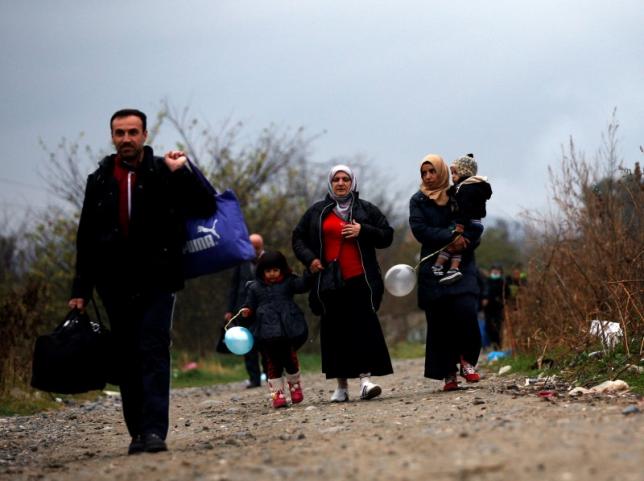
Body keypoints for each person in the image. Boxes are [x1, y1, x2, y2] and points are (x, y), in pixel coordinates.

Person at [68, 109, 216, 455]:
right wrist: (80, 289)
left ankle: (154, 431)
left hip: (158, 279)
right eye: (120, 133)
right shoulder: (100, 179)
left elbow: (205, 205)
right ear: (112, 137)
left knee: (152, 351)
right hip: (112, 282)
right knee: (127, 357)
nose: (126, 139)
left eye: (133, 132)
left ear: (145, 135)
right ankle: (136, 431)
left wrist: (186, 171)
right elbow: (85, 237)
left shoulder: (164, 171)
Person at [292, 164, 394, 402]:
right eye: (336, 179)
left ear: (352, 182)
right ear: (330, 183)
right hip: (329, 282)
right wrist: (311, 259)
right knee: (335, 333)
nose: (340, 183)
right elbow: (297, 238)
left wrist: (363, 229)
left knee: (363, 330)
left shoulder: (366, 209)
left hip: (361, 279)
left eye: (345, 179)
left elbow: (387, 235)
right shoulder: (317, 211)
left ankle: (366, 382)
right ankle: (341, 387)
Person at [409, 154, 482, 391]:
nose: (429, 177)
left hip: (462, 262)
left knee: (466, 311)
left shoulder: (459, 194)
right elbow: (420, 229)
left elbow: (475, 223)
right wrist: (450, 238)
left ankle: (467, 360)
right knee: (440, 322)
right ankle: (448, 373)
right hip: (434, 266)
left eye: (432, 171)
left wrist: (466, 241)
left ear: (441, 172)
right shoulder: (418, 200)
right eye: (424, 173)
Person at [240, 251, 311, 408]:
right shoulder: (255, 287)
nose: (272, 274)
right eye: (268, 271)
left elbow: (302, 285)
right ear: (262, 271)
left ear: (281, 270)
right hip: (267, 334)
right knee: (272, 364)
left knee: (291, 360)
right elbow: (249, 305)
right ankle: (277, 394)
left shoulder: (289, 282)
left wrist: (309, 272)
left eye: (275, 270)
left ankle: (295, 388)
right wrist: (246, 311)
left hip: (288, 329)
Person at [432, 154, 492, 285]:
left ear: (465, 172)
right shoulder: (473, 187)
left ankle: (443, 266)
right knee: (458, 247)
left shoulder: (467, 189)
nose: (452, 176)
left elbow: (465, 209)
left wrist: (459, 227)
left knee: (453, 244)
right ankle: (450, 269)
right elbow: (454, 193)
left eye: (454, 173)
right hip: (475, 224)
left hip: (467, 223)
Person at [224, 233, 267, 388]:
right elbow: (234, 286)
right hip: (243, 308)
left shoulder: (269, 260)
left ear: (261, 246)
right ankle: (254, 378)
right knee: (247, 343)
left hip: (264, 307)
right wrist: (230, 309)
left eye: (257, 247)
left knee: (266, 342)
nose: (254, 250)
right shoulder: (241, 261)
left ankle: (271, 375)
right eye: (252, 247)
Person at [482, 264, 509, 349]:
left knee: (498, 327)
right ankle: (492, 344)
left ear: (501, 272)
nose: (495, 272)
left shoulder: (503, 282)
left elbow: (507, 295)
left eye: (497, 270)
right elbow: (483, 293)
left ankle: (498, 345)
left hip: (499, 308)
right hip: (488, 309)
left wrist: (502, 301)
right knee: (488, 327)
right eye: (494, 270)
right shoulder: (486, 281)